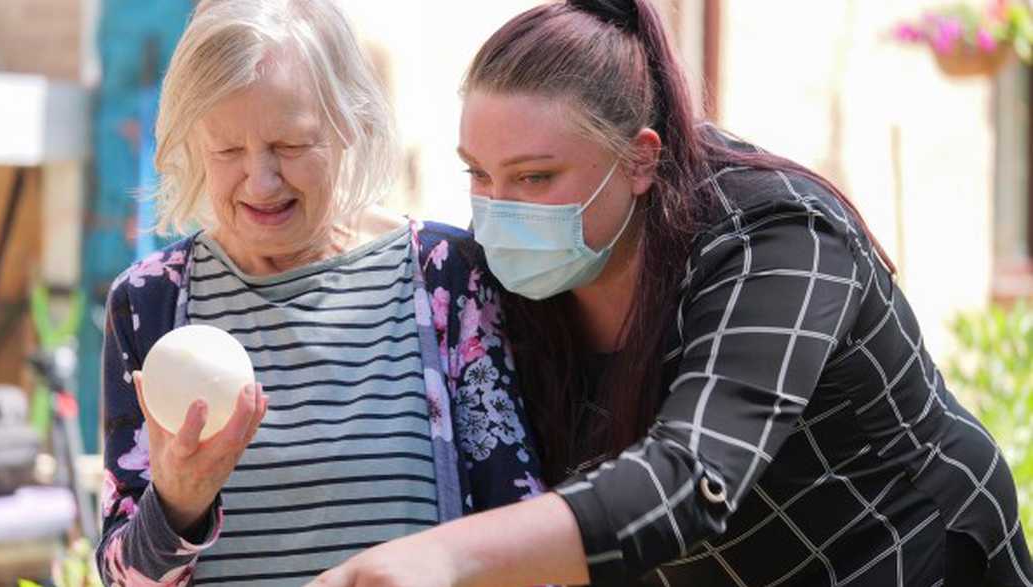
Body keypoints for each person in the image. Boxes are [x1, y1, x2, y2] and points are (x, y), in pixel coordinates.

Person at [308, 1, 1033, 585]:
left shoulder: (778, 239)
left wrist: (444, 555)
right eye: (478, 174)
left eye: (534, 178)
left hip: (908, 556)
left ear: (640, 160)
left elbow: (694, 477)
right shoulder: (520, 276)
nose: (500, 209)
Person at [95, 1, 543, 584]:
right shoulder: (149, 304)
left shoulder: (447, 278)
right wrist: (176, 504)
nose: (261, 180)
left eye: (290, 145)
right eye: (228, 150)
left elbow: (523, 527)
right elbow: (120, 578)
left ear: (348, 124)